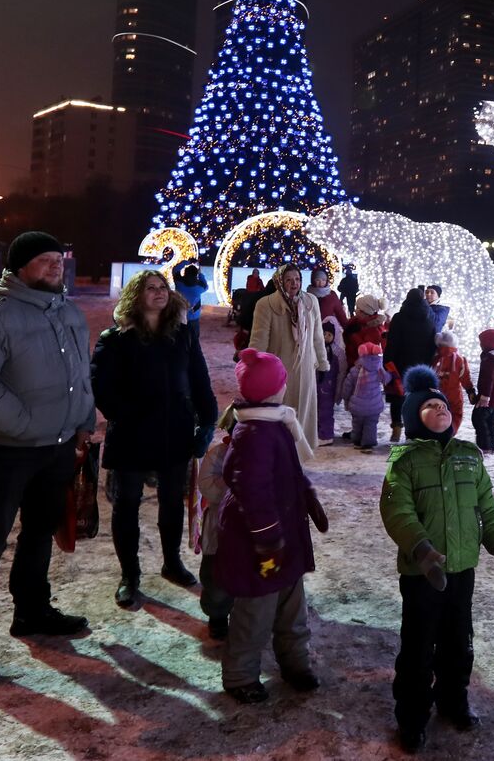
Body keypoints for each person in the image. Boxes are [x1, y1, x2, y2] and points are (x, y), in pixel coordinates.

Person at [0, 231, 96, 686]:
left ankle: (31, 611)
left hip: (58, 447)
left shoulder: (67, 310)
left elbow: (80, 374)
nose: (56, 266)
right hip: (9, 451)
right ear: (20, 266)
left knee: (39, 534)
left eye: (59, 258)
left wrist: (84, 417)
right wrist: (25, 422)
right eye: (45, 260)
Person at [380, 366, 494, 752]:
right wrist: (422, 549)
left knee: (459, 642)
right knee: (419, 646)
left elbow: (487, 508)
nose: (439, 410)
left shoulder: (468, 457)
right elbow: (398, 513)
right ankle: (411, 716)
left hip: (461, 571)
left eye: (442, 405)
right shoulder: (404, 462)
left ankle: (453, 700)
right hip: (422, 573)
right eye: (428, 406)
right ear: (412, 417)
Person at [92, 270, 220, 609]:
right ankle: (129, 574)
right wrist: (128, 414)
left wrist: (207, 421)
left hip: (174, 432)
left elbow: (200, 380)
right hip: (132, 435)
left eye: (163, 287)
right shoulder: (115, 338)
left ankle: (171, 561)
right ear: (136, 296)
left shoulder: (182, 336)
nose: (159, 292)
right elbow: (101, 388)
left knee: (172, 501)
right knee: (127, 504)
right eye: (150, 288)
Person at [217, 348, 328, 703]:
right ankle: (239, 675)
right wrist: (267, 539)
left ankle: (295, 661)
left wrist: (307, 496)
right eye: (281, 382)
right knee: (255, 610)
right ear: (272, 390)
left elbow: (289, 474)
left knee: (291, 604)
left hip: (286, 536)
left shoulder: (273, 423)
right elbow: (252, 490)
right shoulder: (253, 434)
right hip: (260, 545)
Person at [249, 264, 330, 446]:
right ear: (279, 281)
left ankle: (298, 459)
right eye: (289, 280)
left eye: (297, 279)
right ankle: (281, 459)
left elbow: (318, 336)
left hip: (306, 370)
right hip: (278, 375)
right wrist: (254, 372)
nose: (294, 284)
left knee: (303, 418)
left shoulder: (310, 302)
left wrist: (322, 363)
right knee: (281, 419)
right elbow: (258, 342)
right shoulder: (266, 305)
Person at [384, 288, 438, 443]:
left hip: (401, 363)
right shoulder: (429, 317)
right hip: (421, 366)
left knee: (397, 396)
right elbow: (432, 343)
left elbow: (392, 343)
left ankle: (396, 428)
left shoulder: (399, 318)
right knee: (418, 397)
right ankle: (414, 430)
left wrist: (388, 362)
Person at [196, 426, 234, 640]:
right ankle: (218, 614)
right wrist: (234, 480)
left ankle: (245, 614)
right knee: (216, 577)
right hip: (219, 530)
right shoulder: (217, 455)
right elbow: (207, 485)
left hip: (251, 531)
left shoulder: (266, 451)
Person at [345, 342, 392, 451]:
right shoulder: (379, 370)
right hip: (374, 405)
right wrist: (391, 374)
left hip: (357, 405)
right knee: (371, 424)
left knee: (357, 423)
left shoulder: (355, 370)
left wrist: (346, 398)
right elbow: (387, 379)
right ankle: (368, 444)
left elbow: (347, 386)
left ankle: (357, 441)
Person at [471, 329, 494, 454]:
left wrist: (485, 396)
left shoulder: (490, 358)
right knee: (489, 420)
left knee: (479, 418)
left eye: (482, 342)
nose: (480, 344)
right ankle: (491, 445)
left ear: (488, 342)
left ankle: (485, 446)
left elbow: (489, 378)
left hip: (487, 397)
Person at [433, 330, 476, 433]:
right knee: (455, 414)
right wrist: (470, 390)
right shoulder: (460, 360)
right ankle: (450, 433)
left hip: (436, 394)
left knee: (436, 413)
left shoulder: (434, 358)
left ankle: (437, 432)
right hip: (454, 395)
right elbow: (465, 377)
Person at [316, 319, 347, 445]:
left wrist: (339, 389)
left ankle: (326, 435)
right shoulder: (316, 348)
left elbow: (342, 370)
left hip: (329, 386)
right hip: (316, 384)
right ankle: (317, 433)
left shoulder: (337, 352)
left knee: (326, 410)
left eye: (329, 335)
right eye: (323, 334)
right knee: (316, 410)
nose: (325, 337)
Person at [173, 260, 208, 343]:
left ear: (185, 273)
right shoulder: (200, 287)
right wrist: (200, 272)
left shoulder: (179, 283)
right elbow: (205, 284)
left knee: (179, 340)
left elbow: (175, 269)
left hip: (179, 316)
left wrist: (187, 262)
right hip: (194, 317)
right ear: (196, 275)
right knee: (194, 341)